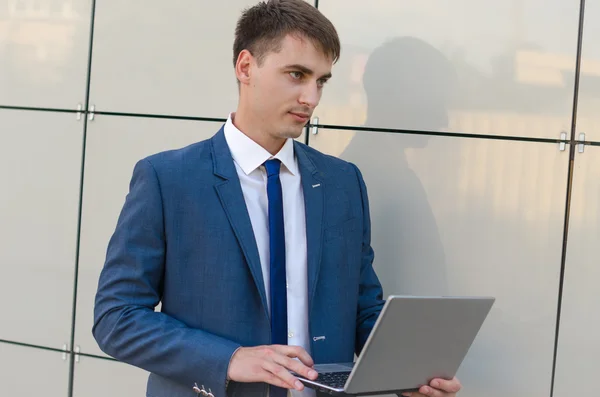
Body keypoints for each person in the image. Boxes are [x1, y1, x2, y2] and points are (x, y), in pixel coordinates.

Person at [92, 1, 463, 397]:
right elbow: (118, 317)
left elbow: (362, 306)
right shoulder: (168, 179)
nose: (311, 97)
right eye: (297, 75)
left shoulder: (343, 182)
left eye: (321, 81)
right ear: (246, 67)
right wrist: (230, 358)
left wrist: (407, 369)